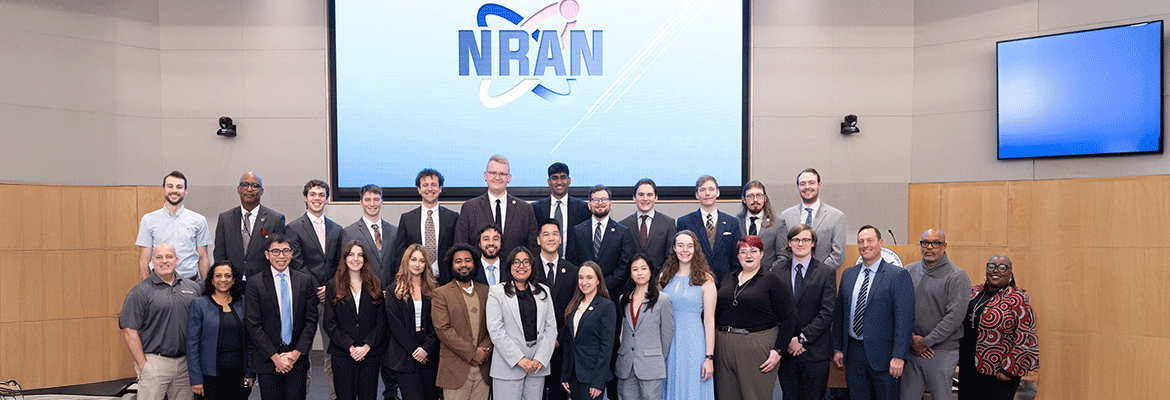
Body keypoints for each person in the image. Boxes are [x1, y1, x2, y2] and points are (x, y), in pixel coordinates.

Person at [831, 226, 914, 400]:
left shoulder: (898, 275)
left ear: (881, 243)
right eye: (861, 241)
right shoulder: (848, 274)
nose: (865, 245)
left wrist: (899, 356)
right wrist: (838, 348)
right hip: (853, 354)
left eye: (870, 240)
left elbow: (904, 321)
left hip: (885, 357)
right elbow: (840, 315)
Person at [713, 235, 796, 400]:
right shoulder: (728, 278)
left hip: (756, 346)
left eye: (753, 251)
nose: (748, 255)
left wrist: (778, 350)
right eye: (743, 252)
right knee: (725, 396)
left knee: (755, 396)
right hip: (723, 346)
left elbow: (790, 316)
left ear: (762, 254)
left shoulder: (771, 280)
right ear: (737, 256)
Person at [285, 179, 344, 399]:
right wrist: (315, 289)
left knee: (332, 352)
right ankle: (302, 394)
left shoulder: (337, 230)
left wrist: (328, 289)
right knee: (302, 353)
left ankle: (335, 395)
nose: (317, 198)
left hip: (332, 300)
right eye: (313, 194)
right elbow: (296, 263)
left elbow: (341, 264)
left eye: (321, 194)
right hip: (305, 299)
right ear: (305, 197)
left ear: (327, 199)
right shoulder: (292, 228)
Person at [120, 243, 202, 400]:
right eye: (159, 257)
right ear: (152, 261)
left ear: (176, 260)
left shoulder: (192, 288)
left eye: (169, 257)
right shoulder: (140, 292)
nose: (164, 261)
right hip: (155, 363)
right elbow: (129, 331)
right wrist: (144, 366)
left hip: (186, 365)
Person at [244, 235, 319, 400]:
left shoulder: (305, 281)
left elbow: (311, 321)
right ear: (267, 254)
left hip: (296, 360)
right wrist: (275, 357)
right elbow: (253, 324)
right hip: (268, 361)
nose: (281, 256)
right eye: (275, 251)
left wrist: (295, 354)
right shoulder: (255, 283)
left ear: (291, 253)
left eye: (285, 251)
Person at [901, 229, 970, 400]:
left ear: (944, 246)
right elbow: (899, 310)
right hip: (912, 349)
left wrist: (926, 342)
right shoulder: (908, 271)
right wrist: (912, 339)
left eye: (935, 243)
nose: (929, 247)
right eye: (925, 243)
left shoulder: (957, 276)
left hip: (941, 351)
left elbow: (954, 317)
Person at [958, 255, 1038, 400]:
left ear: (1010, 273)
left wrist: (1009, 369)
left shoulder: (1018, 298)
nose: (996, 271)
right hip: (968, 366)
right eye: (992, 266)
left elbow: (1026, 337)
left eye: (1002, 267)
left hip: (998, 372)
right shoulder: (972, 292)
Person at [487, 246, 559, 400]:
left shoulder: (543, 291)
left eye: (526, 262)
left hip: (537, 365)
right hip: (508, 366)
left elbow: (551, 328)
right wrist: (519, 359)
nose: (521, 266)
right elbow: (495, 330)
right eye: (516, 262)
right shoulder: (496, 292)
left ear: (532, 266)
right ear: (509, 266)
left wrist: (540, 358)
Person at [777, 225, 837, 400]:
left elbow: (827, 312)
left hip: (815, 352)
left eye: (805, 239)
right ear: (789, 243)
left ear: (813, 243)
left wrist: (802, 339)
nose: (800, 243)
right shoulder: (777, 271)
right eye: (796, 239)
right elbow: (774, 311)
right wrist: (788, 340)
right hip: (787, 352)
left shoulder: (826, 272)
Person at [323, 241, 387, 400]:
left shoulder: (376, 284)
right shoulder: (333, 285)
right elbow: (329, 323)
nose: (355, 259)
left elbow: (381, 322)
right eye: (351, 254)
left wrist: (366, 346)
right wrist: (351, 348)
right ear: (344, 259)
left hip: (369, 354)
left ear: (365, 259)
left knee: (368, 396)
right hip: (343, 355)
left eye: (359, 255)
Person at [659, 230, 716, 400]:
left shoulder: (706, 280)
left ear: (695, 249)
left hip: (694, 344)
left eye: (690, 246)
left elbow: (709, 321)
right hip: (668, 344)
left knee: (692, 387)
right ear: (674, 249)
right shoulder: (664, 277)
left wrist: (709, 357)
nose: (685, 250)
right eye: (681, 245)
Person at [432, 243, 494, 399]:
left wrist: (484, 350)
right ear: (451, 265)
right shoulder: (441, 294)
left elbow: (494, 326)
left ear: (474, 263)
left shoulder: (486, 291)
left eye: (468, 260)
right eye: (458, 261)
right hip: (455, 371)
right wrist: (473, 353)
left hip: (483, 369)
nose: (463, 265)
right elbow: (443, 330)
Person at [187, 261, 254, 400]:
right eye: (218, 276)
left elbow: (250, 341)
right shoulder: (199, 305)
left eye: (227, 276)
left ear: (234, 280)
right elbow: (192, 345)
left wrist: (250, 373)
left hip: (239, 376)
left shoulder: (243, 303)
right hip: (210, 377)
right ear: (212, 280)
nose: (223, 279)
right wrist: (196, 379)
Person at [384, 244, 442, 400]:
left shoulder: (435, 289)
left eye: (422, 261)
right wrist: (416, 350)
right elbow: (395, 326)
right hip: (404, 354)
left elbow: (438, 323)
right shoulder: (393, 290)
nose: (417, 265)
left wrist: (426, 348)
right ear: (406, 261)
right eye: (413, 259)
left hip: (429, 352)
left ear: (426, 264)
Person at [614, 254, 673, 400]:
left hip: (651, 366)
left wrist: (655, 357)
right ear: (631, 274)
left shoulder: (662, 300)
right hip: (626, 365)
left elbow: (667, 335)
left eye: (643, 268)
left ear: (651, 271)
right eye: (635, 269)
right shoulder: (624, 299)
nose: (639, 273)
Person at [454, 154, 539, 254]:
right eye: (493, 173)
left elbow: (533, 250)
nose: (497, 178)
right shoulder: (469, 208)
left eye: (502, 174)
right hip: (479, 269)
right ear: (485, 176)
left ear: (509, 178)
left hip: (514, 268)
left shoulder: (525, 209)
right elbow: (460, 248)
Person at [137, 170, 212, 281]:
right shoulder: (148, 220)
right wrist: (145, 289)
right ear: (163, 189)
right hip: (158, 284)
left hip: (190, 282)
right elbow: (144, 259)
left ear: (185, 191)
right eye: (170, 186)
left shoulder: (199, 220)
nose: (174, 190)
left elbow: (203, 258)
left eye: (179, 187)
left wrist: (207, 291)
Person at [535, 218, 579, 400]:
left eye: (555, 234)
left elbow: (575, 308)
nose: (551, 238)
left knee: (558, 395)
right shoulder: (527, 269)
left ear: (561, 239)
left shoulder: (573, 271)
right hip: (533, 347)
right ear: (538, 240)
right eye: (546, 234)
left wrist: (558, 338)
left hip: (561, 347)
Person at [560, 262, 617, 400]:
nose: (584, 282)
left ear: (598, 280)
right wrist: (565, 374)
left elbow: (607, 347)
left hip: (592, 377)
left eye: (589, 277)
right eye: (581, 277)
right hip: (573, 374)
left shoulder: (606, 306)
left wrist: (598, 382)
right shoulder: (575, 304)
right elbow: (569, 343)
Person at [393, 169, 460, 286]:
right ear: (419, 189)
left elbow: (457, 250)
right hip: (416, 281)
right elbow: (400, 254)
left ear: (440, 188)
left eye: (434, 185)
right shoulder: (407, 219)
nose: (430, 189)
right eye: (425, 185)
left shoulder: (452, 217)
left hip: (446, 282)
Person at [214, 172, 286, 278]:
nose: (249, 189)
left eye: (254, 185)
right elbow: (220, 255)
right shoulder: (225, 219)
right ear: (238, 189)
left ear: (261, 191)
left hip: (263, 283)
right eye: (245, 185)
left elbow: (279, 256)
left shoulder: (275, 219)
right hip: (232, 283)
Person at [774, 168, 846, 271]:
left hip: (821, 279)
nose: (807, 187)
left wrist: (818, 273)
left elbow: (838, 255)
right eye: (802, 184)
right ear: (798, 187)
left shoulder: (836, 216)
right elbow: (783, 250)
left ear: (819, 185)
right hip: (792, 277)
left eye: (811, 183)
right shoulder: (786, 215)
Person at [570, 185, 636, 296]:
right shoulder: (577, 231)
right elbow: (573, 263)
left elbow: (624, 266)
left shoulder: (623, 232)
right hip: (583, 293)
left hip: (612, 293)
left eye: (604, 199)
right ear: (589, 205)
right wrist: (587, 283)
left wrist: (602, 285)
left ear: (610, 203)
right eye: (595, 200)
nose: (600, 203)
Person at [676, 175, 741, 285]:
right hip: (694, 283)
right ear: (697, 195)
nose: (707, 193)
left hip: (725, 285)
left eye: (711, 189)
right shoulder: (685, 222)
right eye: (703, 190)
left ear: (718, 193)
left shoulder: (732, 222)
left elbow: (736, 258)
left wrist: (733, 284)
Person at [342, 184, 398, 287]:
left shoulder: (395, 231)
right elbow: (345, 268)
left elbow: (399, 265)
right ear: (361, 203)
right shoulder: (349, 233)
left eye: (376, 199)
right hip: (364, 293)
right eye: (367, 200)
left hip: (391, 293)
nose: (372, 204)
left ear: (382, 202)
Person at [531, 162, 589, 256]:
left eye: (563, 177)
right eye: (554, 178)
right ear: (549, 182)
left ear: (569, 180)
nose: (559, 182)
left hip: (573, 266)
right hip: (544, 265)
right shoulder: (536, 208)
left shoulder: (583, 208)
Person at [619, 178, 676, 269]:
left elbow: (671, 257)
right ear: (634, 197)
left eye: (649, 195)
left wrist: (659, 279)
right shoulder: (623, 225)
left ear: (656, 197)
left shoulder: (668, 223)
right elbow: (622, 259)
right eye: (641, 195)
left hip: (660, 280)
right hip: (632, 281)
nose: (645, 199)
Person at [737, 180, 781, 269]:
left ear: (765, 198)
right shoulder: (735, 222)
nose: (755, 200)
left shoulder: (778, 224)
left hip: (768, 279)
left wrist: (768, 275)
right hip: (741, 278)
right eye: (750, 196)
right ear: (744, 199)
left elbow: (783, 257)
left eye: (759, 195)